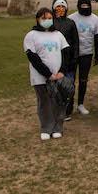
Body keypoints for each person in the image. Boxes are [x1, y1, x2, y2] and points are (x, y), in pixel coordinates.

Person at [24, 8, 71, 140]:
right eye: (44, 18)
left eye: (49, 18)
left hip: (58, 76)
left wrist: (62, 71)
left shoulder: (58, 34)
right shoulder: (31, 35)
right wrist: (48, 74)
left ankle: (57, 127)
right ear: (37, 19)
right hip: (40, 77)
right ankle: (46, 127)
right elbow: (33, 58)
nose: (47, 21)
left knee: (58, 101)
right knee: (44, 102)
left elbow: (66, 53)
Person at [68, 0, 98, 115]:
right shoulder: (72, 18)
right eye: (82, 6)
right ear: (78, 6)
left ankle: (80, 104)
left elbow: (97, 38)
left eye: (87, 6)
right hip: (73, 55)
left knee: (83, 80)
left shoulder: (95, 19)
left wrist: (97, 55)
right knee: (70, 80)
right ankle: (69, 104)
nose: (85, 8)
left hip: (87, 54)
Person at [50, 0, 79, 120]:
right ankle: (55, 110)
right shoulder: (50, 22)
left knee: (68, 87)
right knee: (54, 88)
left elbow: (76, 43)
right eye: (58, 6)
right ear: (54, 8)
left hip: (69, 61)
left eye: (63, 7)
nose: (60, 9)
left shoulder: (70, 23)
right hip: (54, 61)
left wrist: (74, 59)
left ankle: (67, 111)